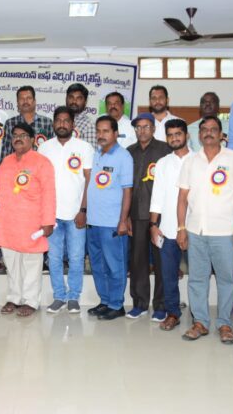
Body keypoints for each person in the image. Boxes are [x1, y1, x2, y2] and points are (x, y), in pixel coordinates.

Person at [177, 116, 233, 344]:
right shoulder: (190, 161)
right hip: (196, 231)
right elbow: (182, 198)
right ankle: (200, 322)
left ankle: (224, 324)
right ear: (199, 135)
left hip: (225, 232)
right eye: (204, 129)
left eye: (213, 129)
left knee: (226, 280)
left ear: (221, 134)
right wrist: (181, 228)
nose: (208, 132)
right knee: (197, 279)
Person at [0, 123, 56, 317]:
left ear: (33, 140)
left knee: (31, 264)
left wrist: (48, 221)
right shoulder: (7, 161)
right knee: (11, 263)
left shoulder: (42, 162)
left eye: (23, 135)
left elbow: (49, 194)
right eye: (15, 135)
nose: (18, 138)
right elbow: (1, 186)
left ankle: (30, 301)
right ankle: (14, 298)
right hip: (8, 222)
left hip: (31, 223)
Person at [38, 106, 94, 313]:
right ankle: (59, 296)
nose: (62, 124)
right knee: (53, 258)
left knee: (76, 258)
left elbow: (89, 181)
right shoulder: (44, 148)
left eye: (66, 121)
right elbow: (39, 183)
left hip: (75, 214)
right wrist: (43, 213)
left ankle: (73, 297)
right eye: (58, 120)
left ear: (72, 124)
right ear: (54, 123)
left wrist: (84, 210)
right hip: (51, 214)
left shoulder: (85, 147)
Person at [86, 116, 134, 321]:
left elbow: (127, 191)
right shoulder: (96, 154)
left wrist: (123, 220)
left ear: (115, 133)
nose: (101, 135)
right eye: (98, 131)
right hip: (93, 222)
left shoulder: (124, 157)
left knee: (115, 266)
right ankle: (105, 301)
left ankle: (116, 304)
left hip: (112, 223)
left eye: (106, 131)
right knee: (98, 265)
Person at [126, 112, 171, 321]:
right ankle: (140, 303)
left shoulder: (165, 150)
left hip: (159, 216)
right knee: (138, 262)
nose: (142, 131)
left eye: (146, 127)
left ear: (153, 128)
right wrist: (126, 216)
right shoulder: (129, 152)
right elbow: (125, 186)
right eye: (138, 127)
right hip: (136, 214)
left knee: (161, 262)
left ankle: (161, 305)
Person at [149, 119, 193, 331]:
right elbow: (157, 196)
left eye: (178, 134)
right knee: (168, 276)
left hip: (195, 229)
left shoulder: (199, 160)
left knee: (198, 276)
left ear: (187, 135)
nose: (175, 138)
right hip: (167, 228)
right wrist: (153, 224)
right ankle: (173, 313)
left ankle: (199, 316)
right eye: (170, 135)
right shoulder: (163, 163)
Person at [1, 85, 54, 161]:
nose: (25, 101)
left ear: (34, 101)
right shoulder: (10, 123)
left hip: (40, 166)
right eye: (22, 99)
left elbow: (52, 150)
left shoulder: (47, 123)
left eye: (28, 98)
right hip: (17, 167)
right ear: (17, 103)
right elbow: (6, 152)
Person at [66, 83, 97, 147]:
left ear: (85, 102)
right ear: (66, 99)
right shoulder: (59, 121)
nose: (74, 101)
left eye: (79, 98)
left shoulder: (89, 125)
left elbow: (90, 151)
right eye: (71, 97)